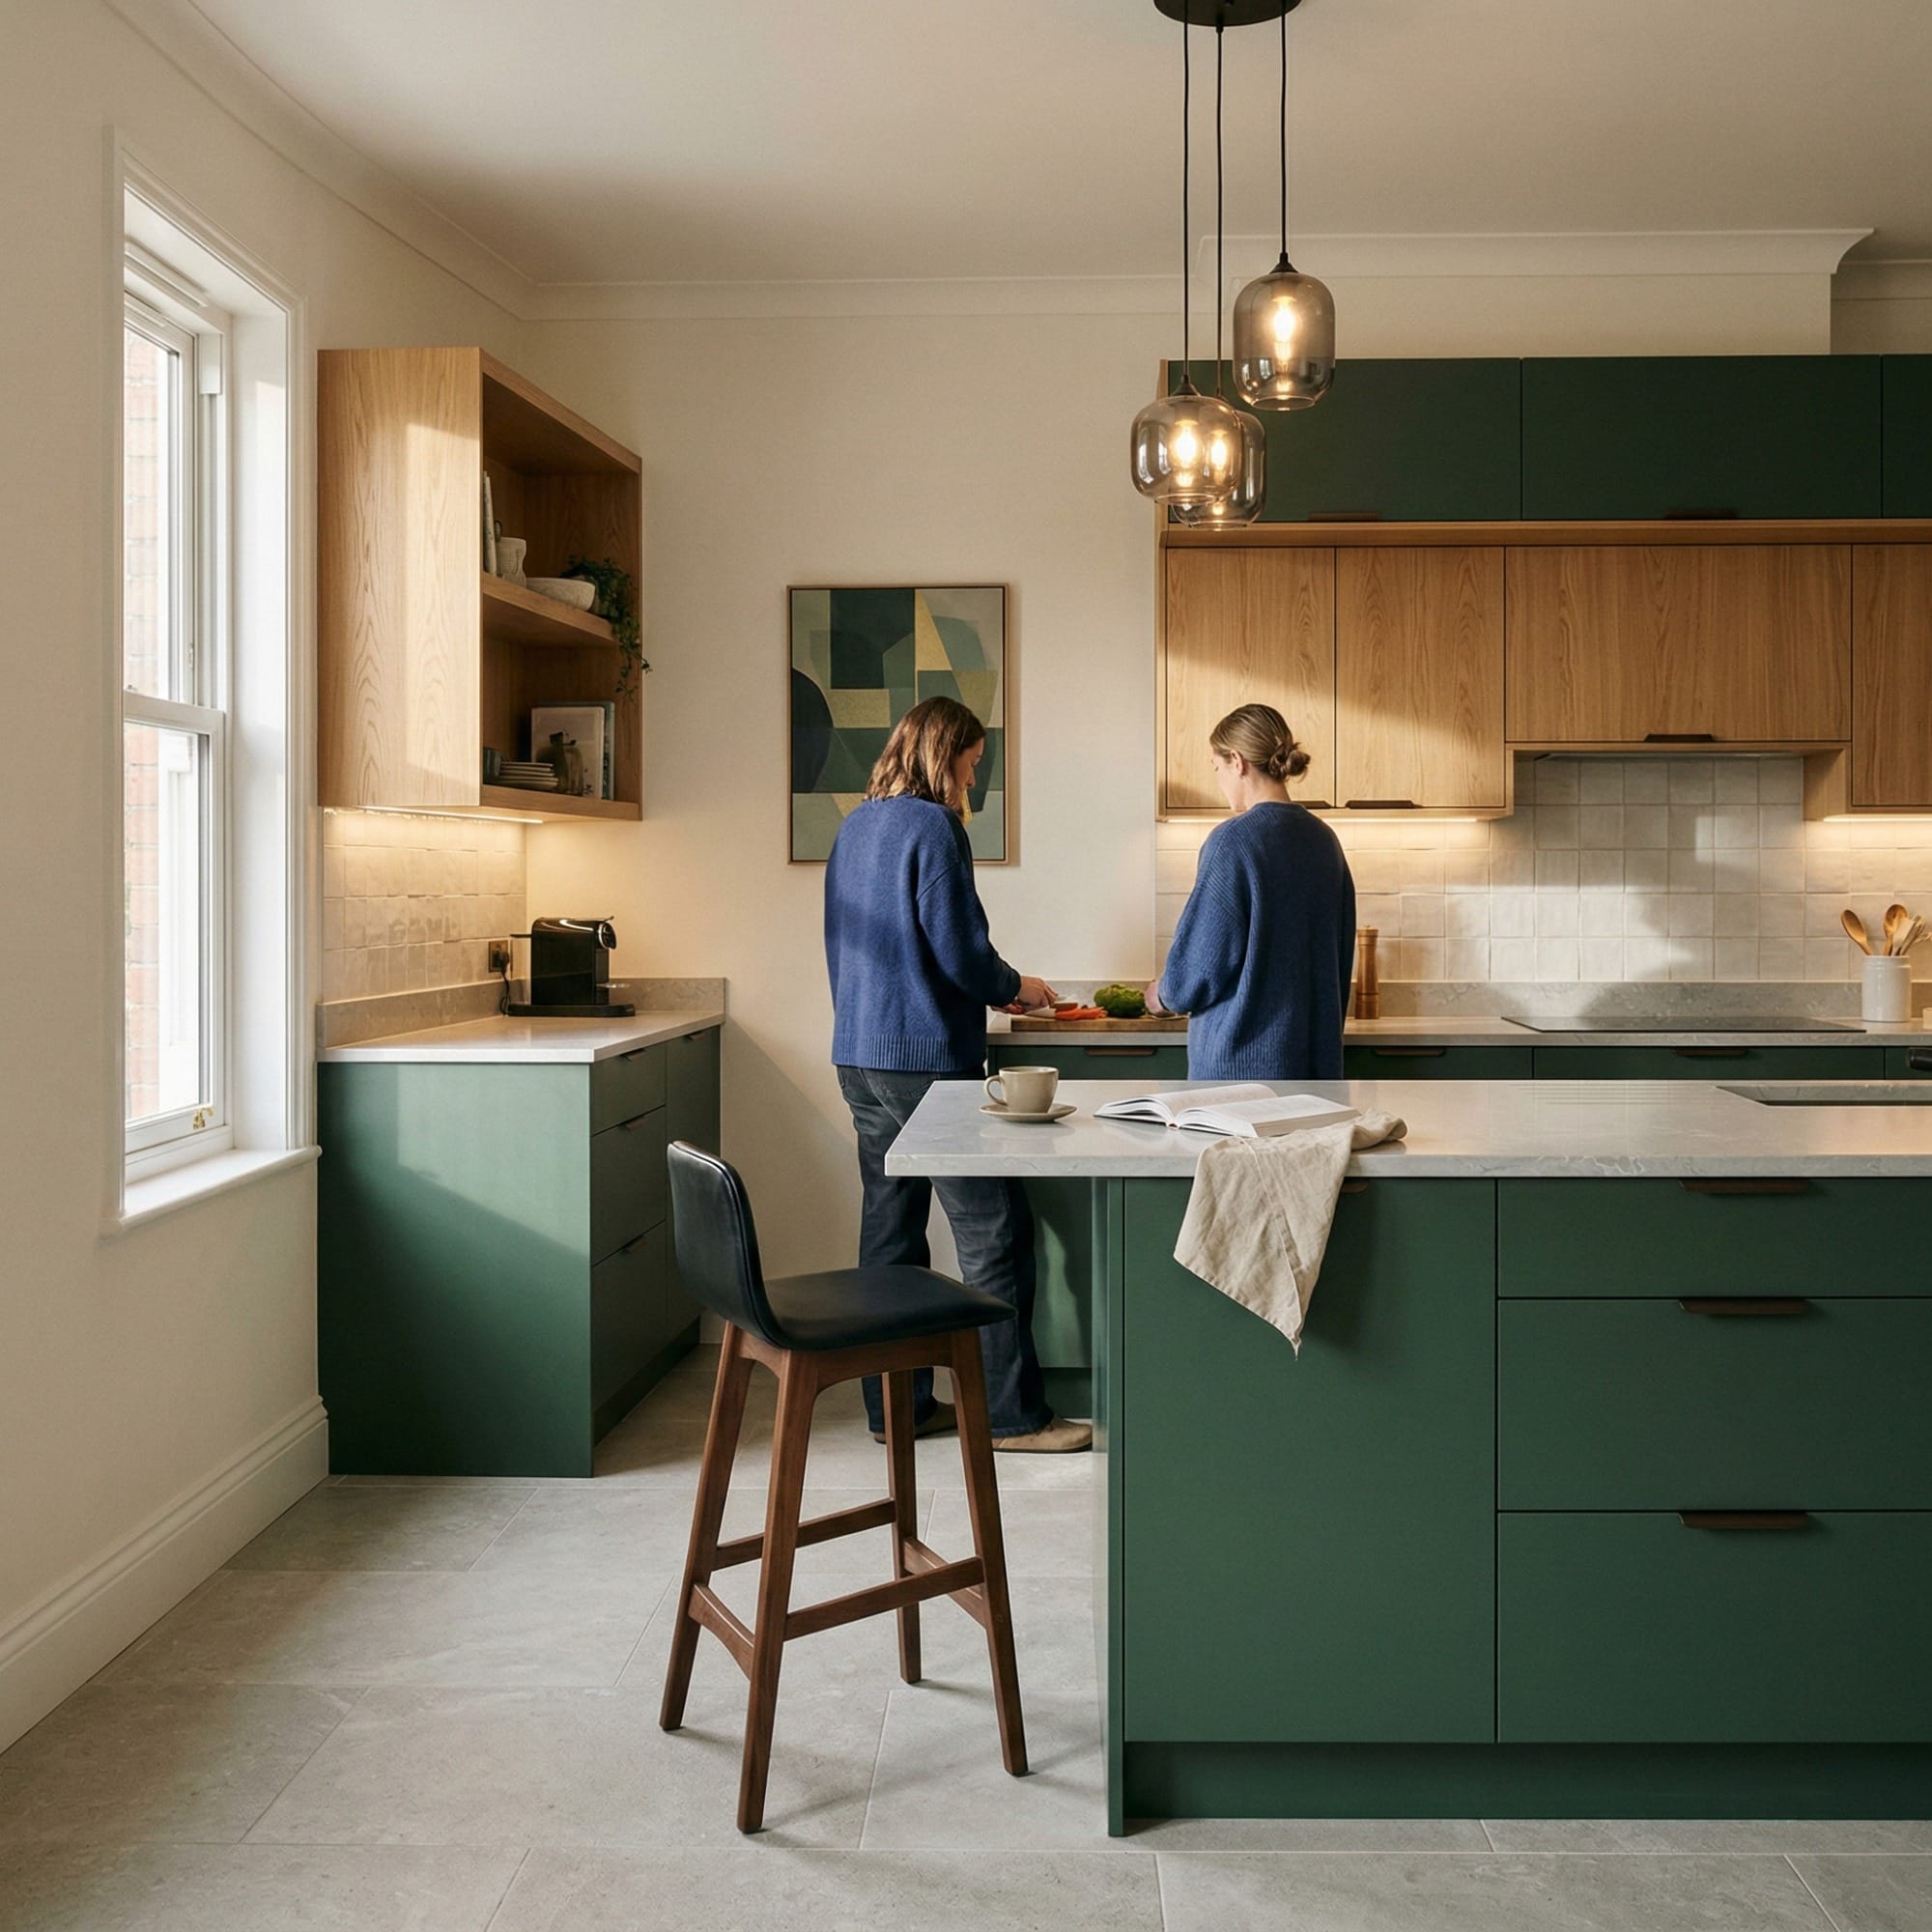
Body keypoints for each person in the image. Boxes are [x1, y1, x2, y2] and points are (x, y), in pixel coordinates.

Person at [825, 696, 1093, 1454]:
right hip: (925, 1064)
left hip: (859, 1055)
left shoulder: (855, 827)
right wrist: (1015, 986)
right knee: (992, 1231)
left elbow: (864, 944)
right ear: (943, 757)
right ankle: (1012, 1417)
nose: (973, 780)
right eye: (971, 765)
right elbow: (960, 951)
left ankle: (898, 1411)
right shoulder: (934, 828)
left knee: (890, 1232)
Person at [1149, 703, 1355, 1081]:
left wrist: (1162, 994)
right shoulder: (1325, 842)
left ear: (1237, 761)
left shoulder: (1231, 842)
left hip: (1237, 1078)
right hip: (1315, 1072)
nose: (1219, 781)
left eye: (1216, 768)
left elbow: (1199, 967)